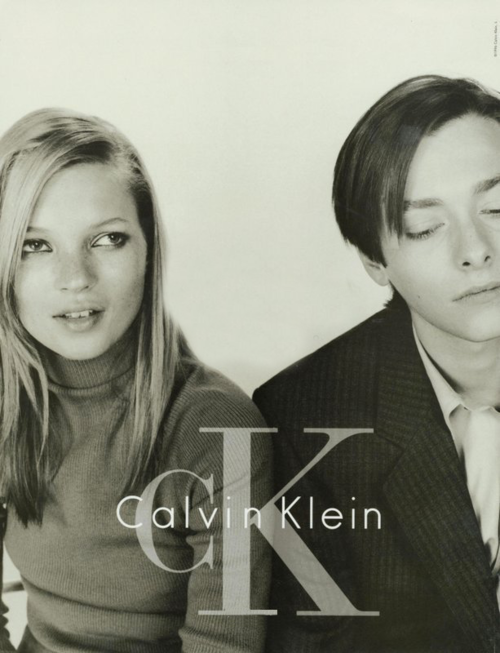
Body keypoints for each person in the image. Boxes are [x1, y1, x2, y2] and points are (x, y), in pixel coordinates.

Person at [0, 108, 272, 652]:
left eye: (107, 239)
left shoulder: (219, 429)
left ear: (149, 250)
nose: (75, 279)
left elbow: (228, 644)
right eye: (35, 245)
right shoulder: (8, 402)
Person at [253, 75, 500, 652]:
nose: (476, 250)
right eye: (424, 228)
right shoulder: (304, 422)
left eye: (497, 206)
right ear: (374, 261)